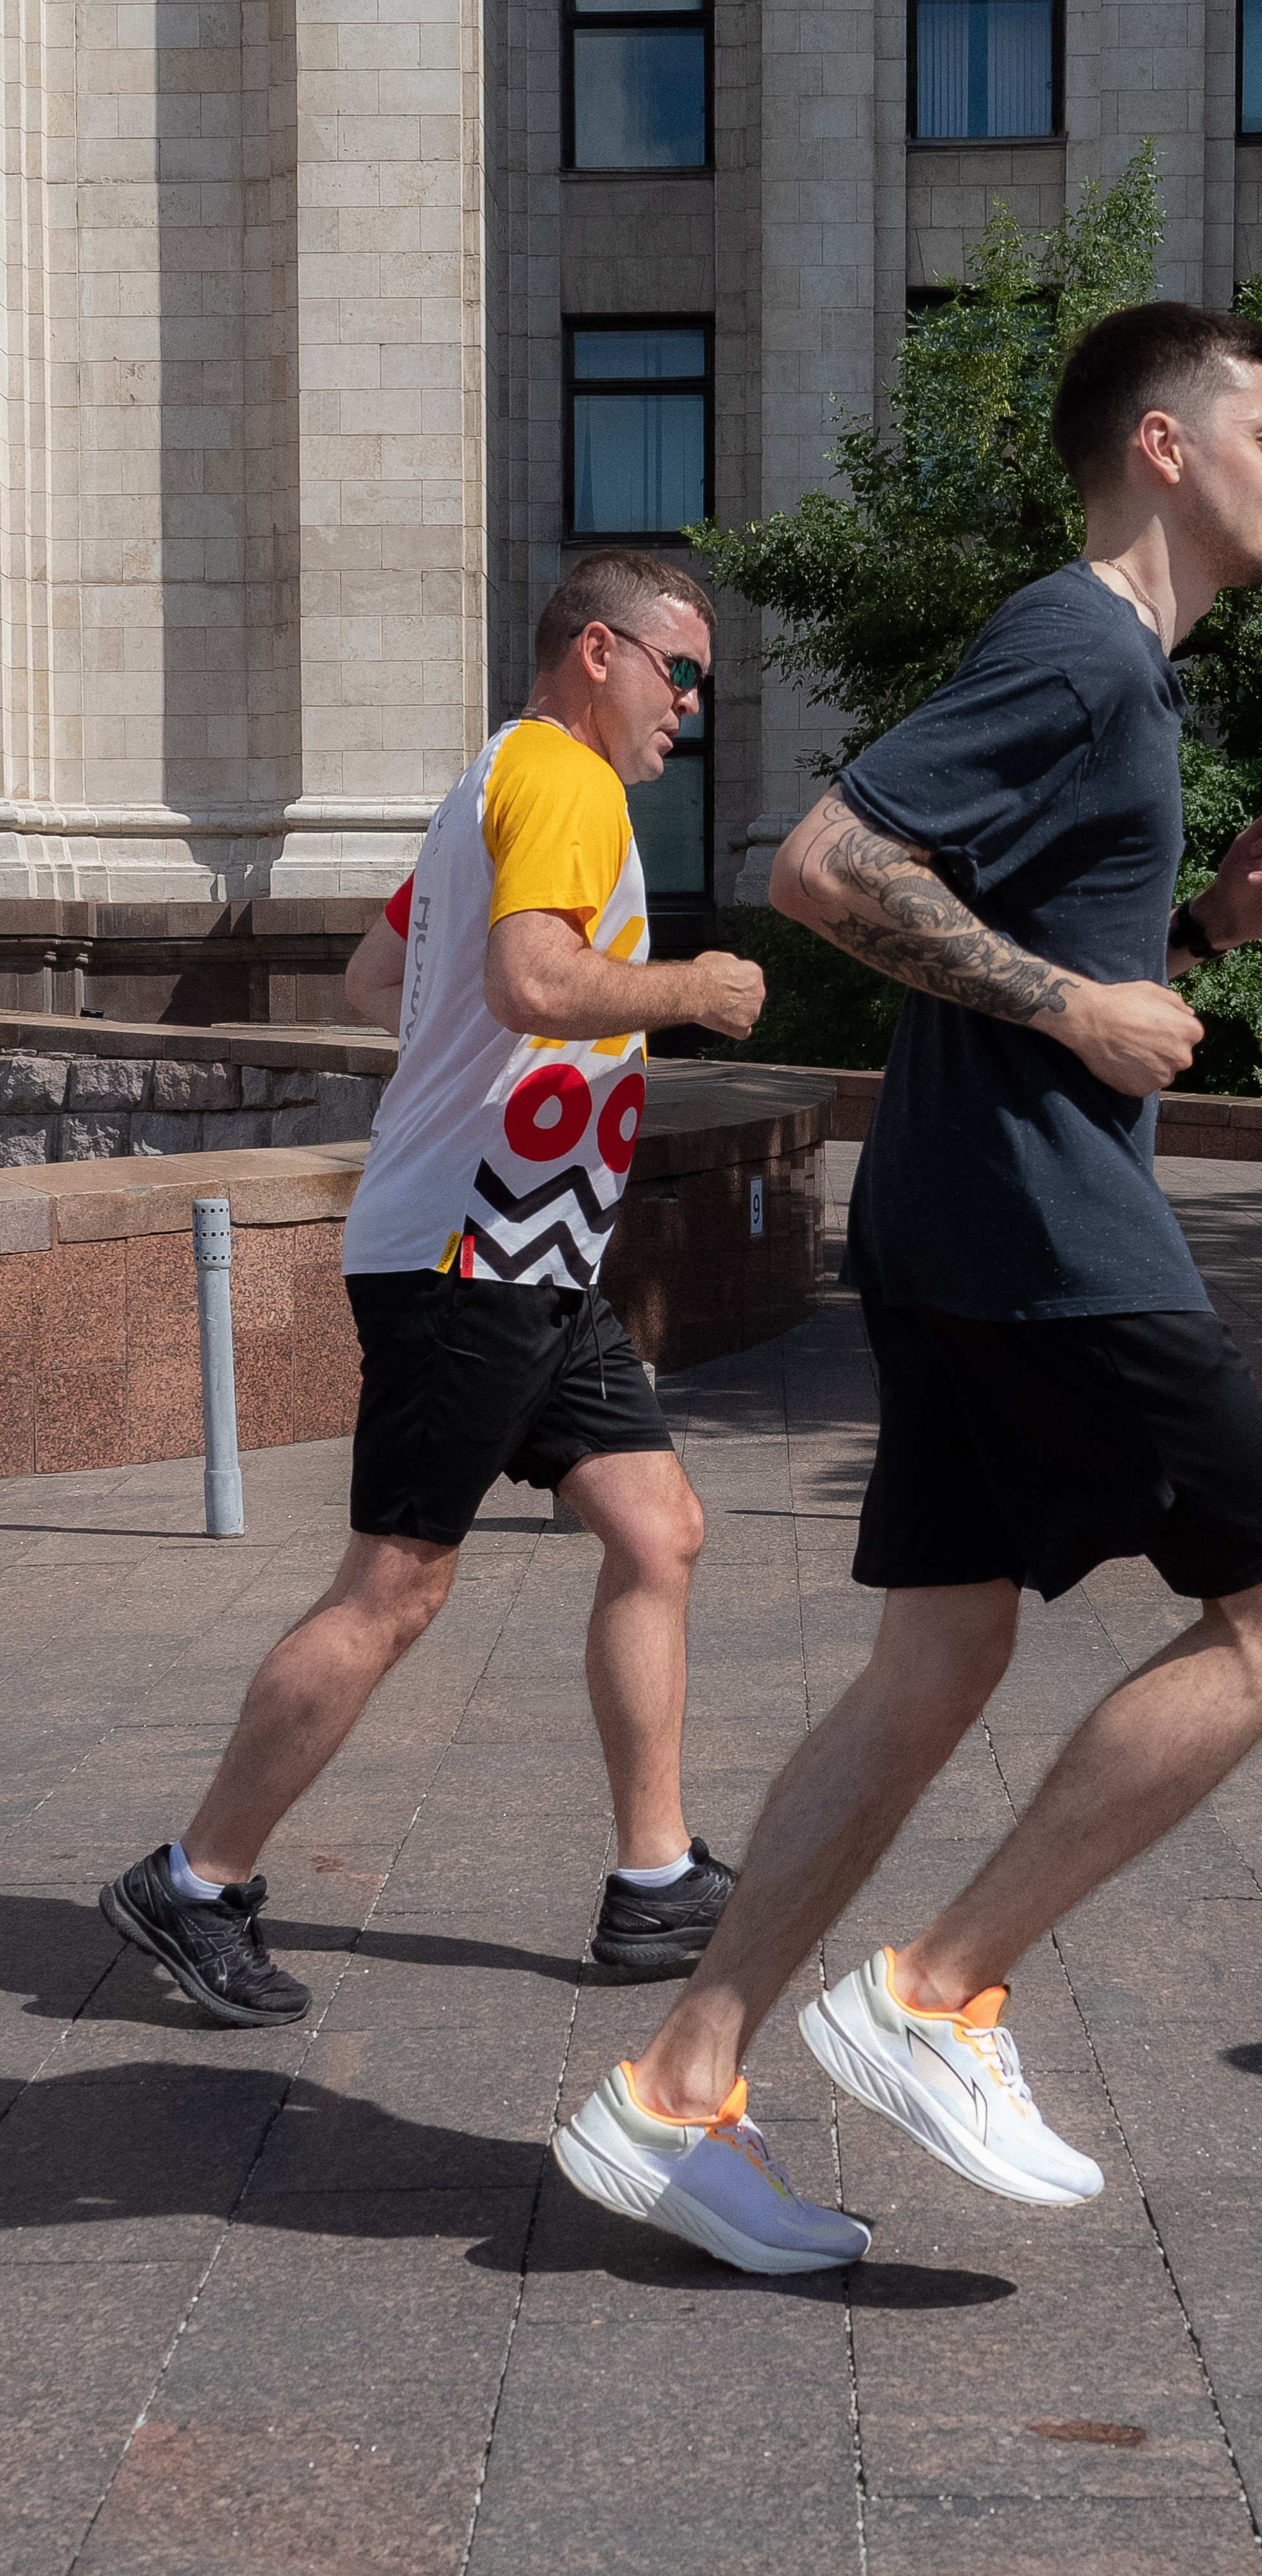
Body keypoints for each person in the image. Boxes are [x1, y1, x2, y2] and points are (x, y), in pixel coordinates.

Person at [552, 303, 1262, 2275]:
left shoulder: (1123, 681)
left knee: (939, 1663)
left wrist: (1176, 925)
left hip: (961, 1212)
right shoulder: (1080, 642)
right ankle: (939, 1994)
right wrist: (1079, 1000)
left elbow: (993, 889)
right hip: (1036, 1225)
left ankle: (674, 2092)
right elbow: (828, 864)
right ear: (1162, 448)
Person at [101, 550, 766, 2025]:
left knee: (658, 1531)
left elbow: (369, 972)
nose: (692, 707)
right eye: (681, 671)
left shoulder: (495, 784)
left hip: (532, 1248)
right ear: (599, 651)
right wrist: (694, 990)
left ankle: (656, 1883)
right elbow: (533, 981)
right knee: (395, 1587)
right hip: (474, 1250)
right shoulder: (567, 780)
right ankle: (196, 1879)